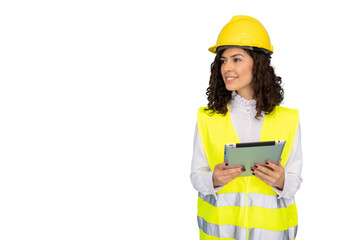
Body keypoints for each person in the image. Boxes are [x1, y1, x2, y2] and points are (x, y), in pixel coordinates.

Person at [190, 15, 303, 240]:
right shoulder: (208, 118)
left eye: (236, 59)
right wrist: (214, 179)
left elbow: (295, 180)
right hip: (222, 234)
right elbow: (196, 175)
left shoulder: (288, 119)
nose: (227, 68)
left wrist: (281, 181)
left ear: (257, 63)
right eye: (223, 61)